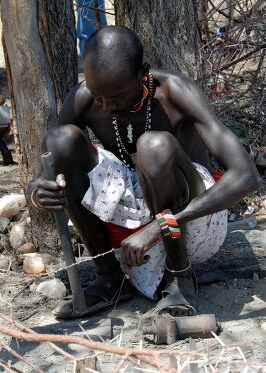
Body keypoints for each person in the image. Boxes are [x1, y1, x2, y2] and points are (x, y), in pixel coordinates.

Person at [27, 26, 260, 319]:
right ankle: (110, 278)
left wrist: (160, 226)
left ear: (143, 73)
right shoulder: (86, 98)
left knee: (154, 146)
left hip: (193, 221)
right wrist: (39, 192)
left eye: (118, 96)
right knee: (60, 140)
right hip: (133, 221)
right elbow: (44, 172)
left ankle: (180, 278)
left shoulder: (176, 93)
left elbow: (246, 176)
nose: (108, 107)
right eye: (99, 96)